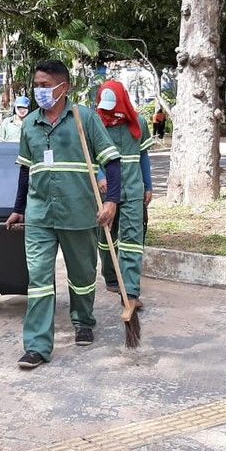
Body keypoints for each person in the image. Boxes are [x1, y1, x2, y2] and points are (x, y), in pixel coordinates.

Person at [4, 60, 122, 369]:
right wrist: (19, 209)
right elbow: (26, 171)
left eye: (44, 86)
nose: (38, 91)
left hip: (80, 212)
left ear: (63, 87)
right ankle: (37, 346)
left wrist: (111, 201)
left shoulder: (85, 118)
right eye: (36, 85)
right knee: (40, 281)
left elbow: (111, 161)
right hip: (40, 215)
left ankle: (83, 319)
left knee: (82, 276)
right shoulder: (29, 124)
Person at [94, 81, 153, 308]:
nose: (111, 113)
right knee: (107, 237)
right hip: (106, 192)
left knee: (132, 240)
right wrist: (100, 176)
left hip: (133, 189)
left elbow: (144, 157)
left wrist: (148, 185)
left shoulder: (139, 124)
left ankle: (129, 292)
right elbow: (93, 156)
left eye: (114, 107)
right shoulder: (97, 124)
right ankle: (111, 277)